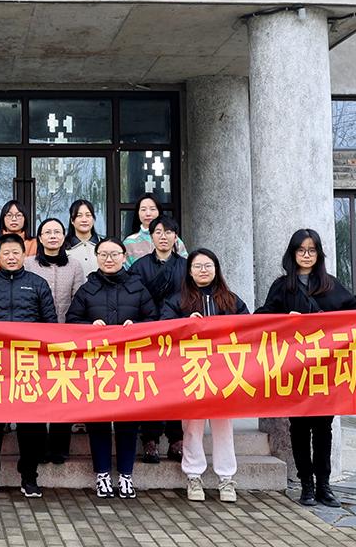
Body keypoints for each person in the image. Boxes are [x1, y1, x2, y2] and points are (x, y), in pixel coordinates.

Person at [255, 228, 356, 509]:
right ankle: (306, 484)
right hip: (295, 370)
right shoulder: (282, 286)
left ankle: (324, 485)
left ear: (319, 254)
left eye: (312, 250)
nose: (306, 255)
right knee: (299, 428)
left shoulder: (330, 285)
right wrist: (285, 318)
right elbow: (261, 317)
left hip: (325, 369)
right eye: (301, 250)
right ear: (293, 254)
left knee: (324, 428)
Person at [66, 236, 156, 500]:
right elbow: (72, 320)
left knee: (128, 422)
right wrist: (89, 327)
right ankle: (102, 474)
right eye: (103, 254)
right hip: (97, 367)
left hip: (130, 365)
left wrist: (136, 327)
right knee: (99, 422)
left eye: (114, 254)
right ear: (96, 257)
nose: (109, 259)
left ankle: (126, 474)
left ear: (123, 256)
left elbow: (154, 320)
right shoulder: (87, 289)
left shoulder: (137, 287)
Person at [0, 233, 56, 499]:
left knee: (30, 425)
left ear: (23, 256)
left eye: (15, 253)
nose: (10, 257)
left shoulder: (38, 284)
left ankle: (29, 477)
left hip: (28, 363)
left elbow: (50, 325)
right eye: (5, 253)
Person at [161, 248, 250, 503]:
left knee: (223, 427)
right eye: (197, 266)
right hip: (192, 372)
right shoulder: (177, 301)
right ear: (189, 271)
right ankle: (194, 476)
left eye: (208, 265)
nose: (203, 270)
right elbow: (163, 328)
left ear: (216, 269)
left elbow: (248, 327)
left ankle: (226, 478)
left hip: (224, 373)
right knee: (192, 427)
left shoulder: (231, 300)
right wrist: (185, 323)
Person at [24, 218, 85, 464]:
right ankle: (37, 447)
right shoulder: (28, 263)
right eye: (47, 232)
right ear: (40, 238)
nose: (52, 236)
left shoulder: (75, 265)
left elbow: (79, 299)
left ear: (63, 237)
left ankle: (59, 447)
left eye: (57, 232)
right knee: (37, 392)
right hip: (34, 338)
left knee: (63, 390)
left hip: (66, 336)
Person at [129, 214, 187, 464]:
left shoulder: (186, 266)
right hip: (149, 332)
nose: (164, 237)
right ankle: (149, 439)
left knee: (176, 386)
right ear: (151, 236)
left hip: (178, 335)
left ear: (176, 237)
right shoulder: (139, 267)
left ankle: (176, 439)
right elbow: (133, 298)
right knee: (151, 385)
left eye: (169, 232)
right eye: (158, 232)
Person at [123, 193, 188, 267]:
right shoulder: (129, 242)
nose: (148, 214)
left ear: (159, 211)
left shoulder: (173, 239)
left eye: (152, 209)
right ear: (138, 213)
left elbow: (185, 266)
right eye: (143, 209)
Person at [0, 199, 37, 277]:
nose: (14, 219)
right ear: (3, 218)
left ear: (25, 218)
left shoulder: (35, 244)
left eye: (18, 215)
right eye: (9, 215)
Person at [64, 199, 100, 278]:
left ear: (93, 219)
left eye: (88, 215)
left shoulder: (103, 246)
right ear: (72, 220)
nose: (84, 220)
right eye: (79, 215)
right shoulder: (63, 248)